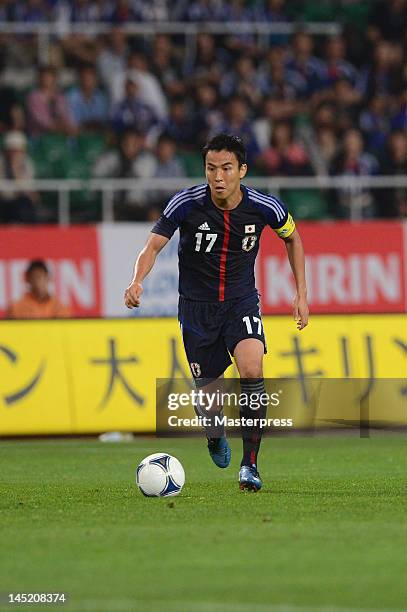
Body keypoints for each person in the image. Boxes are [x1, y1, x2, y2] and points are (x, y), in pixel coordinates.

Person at [124, 134, 309, 492]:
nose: (218, 176)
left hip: (241, 302)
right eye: (211, 168)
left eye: (226, 168)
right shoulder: (187, 203)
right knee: (209, 404)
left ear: (242, 170)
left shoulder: (264, 207)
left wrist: (301, 293)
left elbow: (293, 238)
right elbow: (152, 245)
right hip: (197, 310)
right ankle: (213, 433)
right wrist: (136, 282)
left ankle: (250, 466)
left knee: (252, 367)